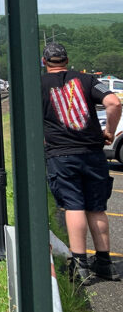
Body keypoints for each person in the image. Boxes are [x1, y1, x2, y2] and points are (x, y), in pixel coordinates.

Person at [40, 42, 122, 282]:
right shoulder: (86, 80)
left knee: (74, 205)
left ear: (45, 62)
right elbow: (114, 103)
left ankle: (80, 265)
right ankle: (105, 263)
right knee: (96, 207)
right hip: (92, 152)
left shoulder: (39, 84)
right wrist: (110, 131)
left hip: (61, 154)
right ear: (66, 60)